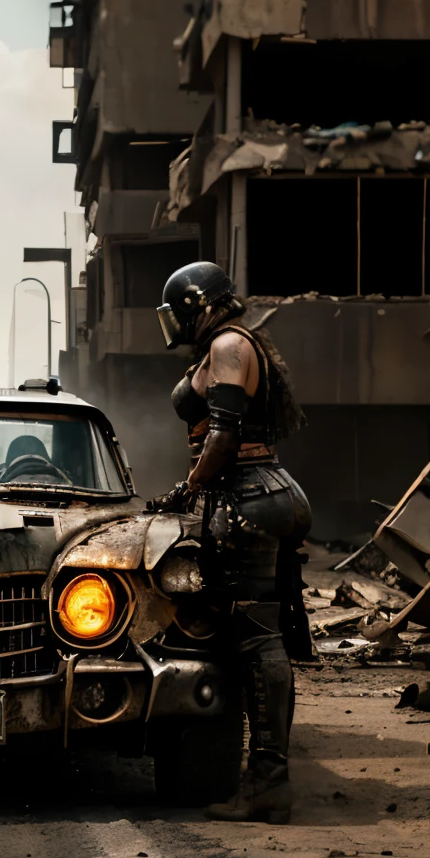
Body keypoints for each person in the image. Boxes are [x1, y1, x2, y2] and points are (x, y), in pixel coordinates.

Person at [150, 261, 311, 824]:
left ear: (196, 304)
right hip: (253, 495)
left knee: (256, 641)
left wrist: (186, 488)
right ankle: (260, 778)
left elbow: (222, 437)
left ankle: (268, 784)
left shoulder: (226, 346)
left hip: (245, 498)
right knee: (248, 636)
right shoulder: (233, 344)